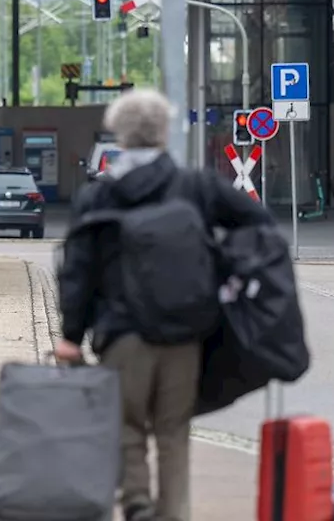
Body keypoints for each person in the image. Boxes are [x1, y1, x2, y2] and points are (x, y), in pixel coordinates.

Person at [54, 89, 274, 521]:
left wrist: (70, 336)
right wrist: (225, 269)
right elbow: (258, 222)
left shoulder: (100, 195)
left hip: (122, 335)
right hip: (186, 334)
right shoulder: (196, 186)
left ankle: (136, 505)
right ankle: (173, 514)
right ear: (164, 132)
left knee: (127, 425)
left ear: (119, 134)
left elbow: (79, 268)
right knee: (174, 431)